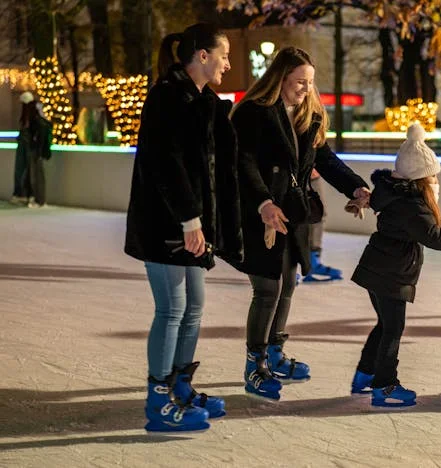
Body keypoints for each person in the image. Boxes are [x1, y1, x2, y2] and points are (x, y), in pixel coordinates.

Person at [229, 46, 370, 401]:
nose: (305, 89)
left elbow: (325, 158)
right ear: (279, 78)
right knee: (266, 288)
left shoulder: (310, 114)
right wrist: (263, 202)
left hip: (293, 213)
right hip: (258, 213)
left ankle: (274, 354)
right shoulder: (253, 112)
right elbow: (242, 162)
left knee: (288, 282)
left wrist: (355, 186)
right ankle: (254, 364)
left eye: (309, 82)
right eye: (298, 82)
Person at [124, 23, 242, 432]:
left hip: (194, 225)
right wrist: (190, 220)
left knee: (193, 309)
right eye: (223, 54)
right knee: (172, 309)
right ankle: (158, 403)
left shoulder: (203, 100)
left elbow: (214, 166)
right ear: (203, 55)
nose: (229, 62)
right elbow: (165, 163)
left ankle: (180, 386)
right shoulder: (167, 96)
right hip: (166, 223)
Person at [350, 122, 441, 408]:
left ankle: (365, 374)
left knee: (385, 325)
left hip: (380, 270)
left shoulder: (402, 200)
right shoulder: (412, 205)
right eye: (434, 176)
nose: (436, 182)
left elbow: (430, 226)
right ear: (422, 179)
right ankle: (383, 386)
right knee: (392, 329)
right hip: (391, 274)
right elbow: (433, 235)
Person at [302, 168, 344, 282]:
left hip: (311, 172)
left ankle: (312, 261)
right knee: (310, 215)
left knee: (317, 215)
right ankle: (304, 264)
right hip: (297, 172)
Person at [13, 92, 52, 207]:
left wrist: (37, 146)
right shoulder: (32, 117)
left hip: (34, 150)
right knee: (28, 173)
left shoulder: (34, 118)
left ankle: (36, 198)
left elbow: (41, 131)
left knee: (34, 174)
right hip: (32, 148)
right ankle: (28, 195)